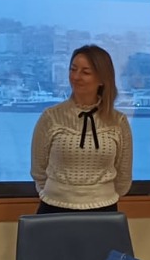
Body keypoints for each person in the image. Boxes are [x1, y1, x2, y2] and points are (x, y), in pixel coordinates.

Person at [30, 44, 133, 214]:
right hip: (54, 207)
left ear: (102, 79)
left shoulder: (118, 122)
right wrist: (59, 194)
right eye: (73, 69)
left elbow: (123, 176)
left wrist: (98, 196)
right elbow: (38, 170)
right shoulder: (51, 117)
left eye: (85, 72)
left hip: (103, 210)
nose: (76, 77)